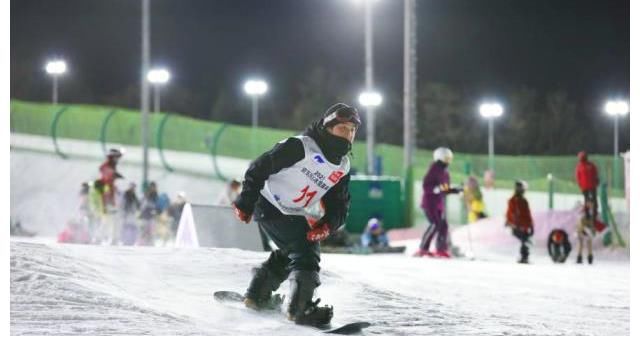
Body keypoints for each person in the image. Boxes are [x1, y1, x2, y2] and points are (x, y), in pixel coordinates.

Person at [232, 103, 358, 326]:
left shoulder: (342, 167)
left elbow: (339, 204)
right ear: (327, 127)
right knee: (306, 251)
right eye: (342, 129)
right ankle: (300, 309)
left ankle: (257, 294)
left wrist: (328, 225)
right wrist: (246, 201)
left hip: (291, 211)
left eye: (352, 131)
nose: (347, 135)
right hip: (268, 201)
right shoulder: (301, 147)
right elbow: (260, 167)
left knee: (293, 249)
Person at [414, 147, 461, 258]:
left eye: (449, 159)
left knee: (443, 226)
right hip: (429, 203)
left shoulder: (445, 173)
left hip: (439, 204)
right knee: (434, 224)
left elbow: (445, 189)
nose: (448, 161)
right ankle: (423, 248)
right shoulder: (433, 169)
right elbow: (426, 186)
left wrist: (455, 190)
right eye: (446, 158)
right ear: (439, 158)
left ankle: (441, 249)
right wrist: (436, 189)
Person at [506, 180, 534, 264]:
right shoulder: (513, 201)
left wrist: (531, 225)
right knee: (524, 239)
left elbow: (527, 214)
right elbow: (510, 214)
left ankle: (524, 256)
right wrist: (513, 224)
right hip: (516, 227)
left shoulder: (524, 201)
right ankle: (524, 255)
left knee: (525, 239)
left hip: (523, 227)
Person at [138, 181, 159, 246]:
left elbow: (156, 204)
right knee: (144, 230)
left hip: (152, 216)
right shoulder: (147, 194)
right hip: (145, 215)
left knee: (151, 231)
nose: (154, 188)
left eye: (155, 187)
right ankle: (142, 243)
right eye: (153, 187)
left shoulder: (156, 195)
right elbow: (143, 204)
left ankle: (150, 243)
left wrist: (155, 210)